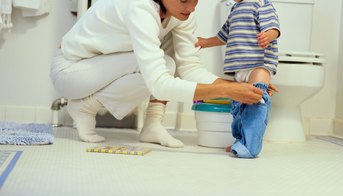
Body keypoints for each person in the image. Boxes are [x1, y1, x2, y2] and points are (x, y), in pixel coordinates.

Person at [50, 0, 272, 148]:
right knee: (162, 64)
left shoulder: (182, 13)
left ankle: (152, 125)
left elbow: (190, 68)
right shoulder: (139, 7)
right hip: (72, 71)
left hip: (103, 67)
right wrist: (226, 90)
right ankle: (84, 106)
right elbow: (158, 82)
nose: (192, 6)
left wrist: (238, 84)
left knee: (166, 59)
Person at [195, 0, 280, 157]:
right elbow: (224, 36)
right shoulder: (234, 9)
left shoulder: (260, 3)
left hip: (259, 64)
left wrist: (268, 36)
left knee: (255, 103)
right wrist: (206, 42)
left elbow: (274, 28)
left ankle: (250, 146)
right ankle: (240, 140)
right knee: (239, 106)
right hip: (239, 68)